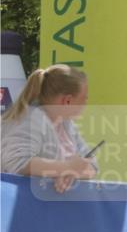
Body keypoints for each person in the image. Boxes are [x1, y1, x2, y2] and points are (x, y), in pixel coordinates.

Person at [1, 64, 97, 193]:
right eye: (84, 99)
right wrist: (66, 167)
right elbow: (18, 163)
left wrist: (71, 174)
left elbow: (92, 166)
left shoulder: (66, 124)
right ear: (67, 101)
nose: (86, 104)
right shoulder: (30, 119)